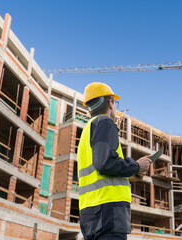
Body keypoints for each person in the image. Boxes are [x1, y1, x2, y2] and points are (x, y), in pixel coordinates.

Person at [77, 82, 151, 240]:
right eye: (115, 103)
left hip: (91, 210)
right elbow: (105, 163)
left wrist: (132, 174)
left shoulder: (87, 129)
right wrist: (137, 165)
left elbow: (99, 170)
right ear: (110, 103)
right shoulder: (104, 122)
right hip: (109, 209)